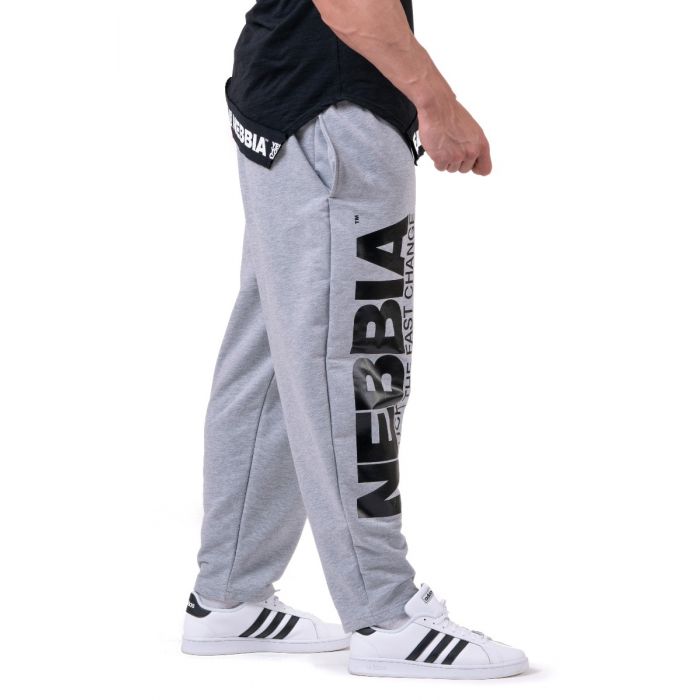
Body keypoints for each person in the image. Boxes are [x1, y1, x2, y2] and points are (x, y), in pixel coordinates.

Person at [181, 0, 528, 680]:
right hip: (334, 112)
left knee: (273, 359)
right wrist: (437, 102)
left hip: (288, 104)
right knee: (360, 362)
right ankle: (384, 613)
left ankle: (229, 594)